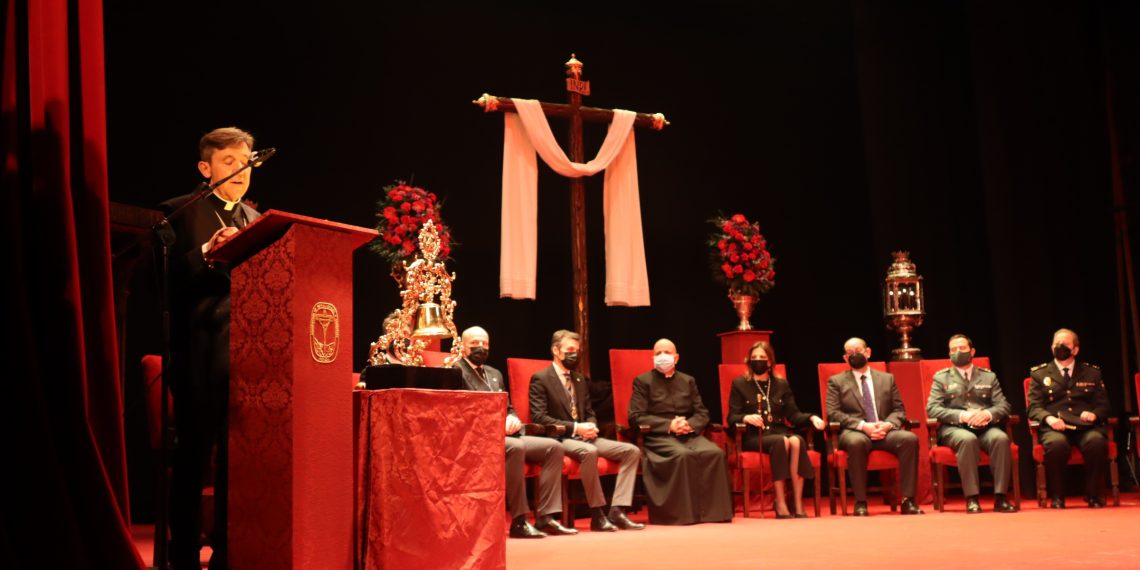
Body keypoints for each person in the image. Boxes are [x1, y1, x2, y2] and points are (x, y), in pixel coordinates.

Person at [161, 127, 261, 570]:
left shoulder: (257, 220)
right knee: (194, 460)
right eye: (229, 162)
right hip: (199, 357)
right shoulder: (178, 213)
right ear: (206, 168)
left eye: (247, 163)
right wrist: (205, 251)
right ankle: (182, 556)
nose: (240, 172)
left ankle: (226, 554)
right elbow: (160, 286)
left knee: (238, 466)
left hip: (248, 362)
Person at [454, 326, 576, 537]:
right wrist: (495, 425)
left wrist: (512, 419)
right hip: (479, 438)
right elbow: (461, 412)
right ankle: (519, 520)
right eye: (474, 343)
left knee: (553, 448)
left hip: (507, 435)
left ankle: (546, 517)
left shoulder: (494, 374)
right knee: (516, 447)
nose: (480, 347)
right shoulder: (456, 371)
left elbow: (507, 407)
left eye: (485, 343)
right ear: (462, 346)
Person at [529, 330, 645, 531]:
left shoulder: (580, 379)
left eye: (577, 350)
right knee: (589, 452)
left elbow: (589, 411)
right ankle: (597, 514)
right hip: (560, 438)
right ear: (556, 350)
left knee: (631, 452)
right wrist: (576, 428)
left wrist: (592, 426)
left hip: (585, 436)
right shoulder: (541, 379)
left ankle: (617, 510)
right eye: (570, 350)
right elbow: (539, 417)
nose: (575, 354)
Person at [628, 338, 733, 525]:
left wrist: (689, 425)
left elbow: (702, 413)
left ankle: (714, 513)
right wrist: (669, 425)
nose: (662, 356)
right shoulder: (643, 381)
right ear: (652, 357)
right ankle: (683, 515)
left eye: (667, 353)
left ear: (676, 358)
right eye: (658, 353)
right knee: (682, 456)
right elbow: (636, 417)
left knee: (715, 453)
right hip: (659, 437)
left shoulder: (688, 380)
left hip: (688, 433)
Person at [825, 337, 923, 516]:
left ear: (868, 352)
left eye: (858, 351)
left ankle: (908, 500)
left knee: (909, 439)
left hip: (884, 430)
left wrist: (887, 425)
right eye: (850, 353)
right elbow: (833, 413)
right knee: (856, 443)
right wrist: (863, 426)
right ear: (845, 358)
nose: (855, 355)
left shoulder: (887, 379)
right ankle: (861, 502)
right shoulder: (836, 381)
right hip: (856, 431)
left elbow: (899, 410)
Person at [726, 341, 825, 518]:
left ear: (770, 362)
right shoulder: (740, 384)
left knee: (796, 440)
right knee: (783, 441)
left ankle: (797, 502)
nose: (758, 361)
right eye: (754, 357)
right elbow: (731, 417)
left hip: (778, 432)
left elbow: (793, 415)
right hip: (755, 437)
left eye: (762, 358)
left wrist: (811, 417)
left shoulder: (780, 384)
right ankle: (780, 502)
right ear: (749, 361)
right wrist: (745, 417)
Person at [925, 334, 1017, 513]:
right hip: (955, 429)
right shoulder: (941, 378)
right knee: (967, 440)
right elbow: (933, 409)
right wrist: (962, 415)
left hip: (985, 427)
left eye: (962, 348)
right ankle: (972, 498)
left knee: (1001, 438)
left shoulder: (988, 377)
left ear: (972, 351)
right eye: (953, 350)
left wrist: (987, 414)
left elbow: (1003, 405)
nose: (957, 352)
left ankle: (1001, 497)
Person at [1026, 328, 1110, 509]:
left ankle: (1093, 494)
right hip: (1055, 426)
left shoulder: (1092, 373)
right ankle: (1057, 496)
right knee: (1056, 445)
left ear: (1075, 350)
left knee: (1096, 442)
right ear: (1051, 347)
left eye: (1064, 345)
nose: (1060, 347)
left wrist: (1094, 414)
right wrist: (1048, 419)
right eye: (1057, 344)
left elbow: (1103, 405)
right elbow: (1033, 407)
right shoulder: (1039, 374)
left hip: (1085, 426)